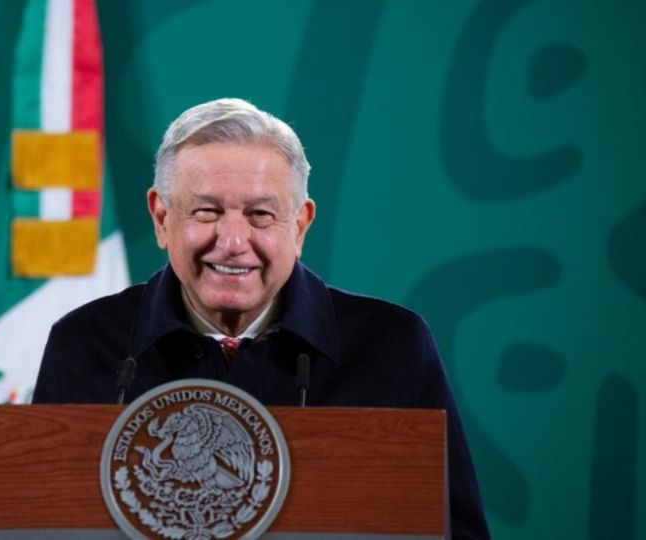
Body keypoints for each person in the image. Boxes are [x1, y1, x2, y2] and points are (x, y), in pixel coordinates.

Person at [33, 98, 490, 538]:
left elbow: (455, 533)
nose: (233, 241)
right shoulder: (86, 341)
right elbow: (34, 523)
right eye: (206, 211)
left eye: (260, 215)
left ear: (300, 226)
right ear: (161, 217)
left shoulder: (392, 346)